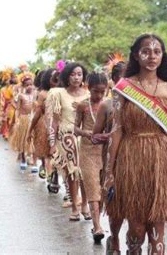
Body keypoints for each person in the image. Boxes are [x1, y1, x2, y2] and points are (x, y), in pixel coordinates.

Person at [104, 34, 167, 254]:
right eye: (146, 51)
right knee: (137, 229)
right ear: (136, 55)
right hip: (132, 157)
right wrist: (109, 171)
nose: (152, 56)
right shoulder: (123, 88)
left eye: (157, 51)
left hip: (163, 159)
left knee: (158, 231)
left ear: (163, 55)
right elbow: (117, 130)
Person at [48, 62, 90, 221]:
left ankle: (85, 204)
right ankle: (74, 207)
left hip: (84, 138)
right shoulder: (58, 94)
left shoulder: (88, 94)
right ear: (66, 76)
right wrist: (52, 143)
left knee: (85, 173)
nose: (76, 77)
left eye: (79, 74)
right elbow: (54, 121)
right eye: (73, 74)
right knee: (72, 174)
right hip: (66, 139)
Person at [91, 59, 126, 251]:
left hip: (136, 157)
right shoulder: (107, 105)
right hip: (113, 159)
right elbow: (95, 136)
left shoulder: (141, 103)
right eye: (122, 77)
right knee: (115, 200)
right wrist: (108, 136)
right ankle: (115, 237)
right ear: (113, 79)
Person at [74, 72, 108, 242]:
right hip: (87, 151)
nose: (99, 95)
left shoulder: (109, 105)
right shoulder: (82, 106)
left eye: (103, 92)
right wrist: (87, 133)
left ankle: (97, 222)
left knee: (102, 188)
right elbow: (75, 129)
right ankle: (97, 226)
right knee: (92, 186)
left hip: (105, 152)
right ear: (88, 88)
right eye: (96, 91)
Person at [27, 68, 58, 179]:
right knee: (46, 151)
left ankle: (53, 174)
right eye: (52, 77)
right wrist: (30, 129)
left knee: (56, 153)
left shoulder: (63, 93)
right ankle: (46, 169)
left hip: (60, 125)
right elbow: (38, 113)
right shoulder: (43, 94)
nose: (55, 79)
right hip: (44, 125)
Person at [9, 77, 35, 170]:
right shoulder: (21, 96)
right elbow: (18, 109)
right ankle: (23, 158)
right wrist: (17, 120)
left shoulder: (34, 95)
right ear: (23, 86)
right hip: (23, 119)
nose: (29, 87)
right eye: (27, 85)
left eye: (31, 84)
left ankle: (31, 157)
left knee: (31, 139)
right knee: (23, 139)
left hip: (32, 118)